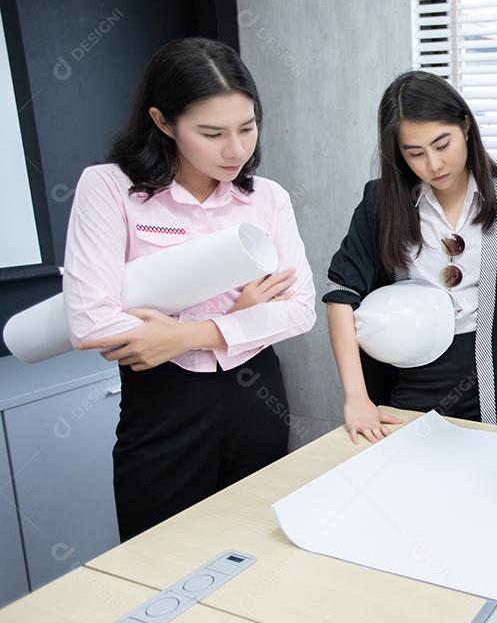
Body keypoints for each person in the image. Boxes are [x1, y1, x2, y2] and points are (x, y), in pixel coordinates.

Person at [64, 37, 316, 540]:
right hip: (164, 404)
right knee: (156, 554)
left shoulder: (265, 198)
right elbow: (92, 321)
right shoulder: (110, 188)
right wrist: (242, 316)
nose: (237, 149)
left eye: (247, 127)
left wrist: (186, 334)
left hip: (256, 393)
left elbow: (300, 310)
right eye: (211, 132)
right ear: (162, 122)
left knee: (254, 548)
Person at [324, 71, 497, 443]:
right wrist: (357, 398)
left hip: (493, 383)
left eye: (442, 143)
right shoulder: (382, 202)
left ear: (466, 126)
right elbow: (341, 294)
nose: (433, 164)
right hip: (409, 380)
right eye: (415, 153)